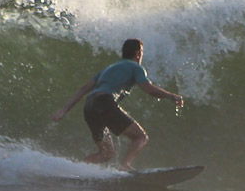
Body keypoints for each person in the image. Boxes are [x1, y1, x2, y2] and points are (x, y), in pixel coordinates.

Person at [51, 39, 185, 172]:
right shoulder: (136, 67)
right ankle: (125, 165)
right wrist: (171, 96)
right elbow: (148, 89)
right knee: (140, 137)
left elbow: (84, 88)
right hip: (105, 103)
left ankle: (73, 171)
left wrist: (64, 110)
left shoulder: (108, 69)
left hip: (90, 106)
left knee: (106, 153)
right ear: (138, 53)